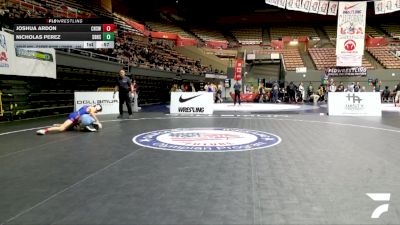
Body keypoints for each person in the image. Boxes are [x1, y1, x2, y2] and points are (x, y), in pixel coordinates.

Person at [36, 105, 102, 135]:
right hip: (74, 117)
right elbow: (92, 113)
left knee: (69, 128)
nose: (96, 112)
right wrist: (98, 121)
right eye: (98, 111)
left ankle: (59, 124)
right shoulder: (93, 108)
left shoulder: (87, 106)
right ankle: (44, 130)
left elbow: (82, 115)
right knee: (62, 129)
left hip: (75, 117)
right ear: (97, 109)